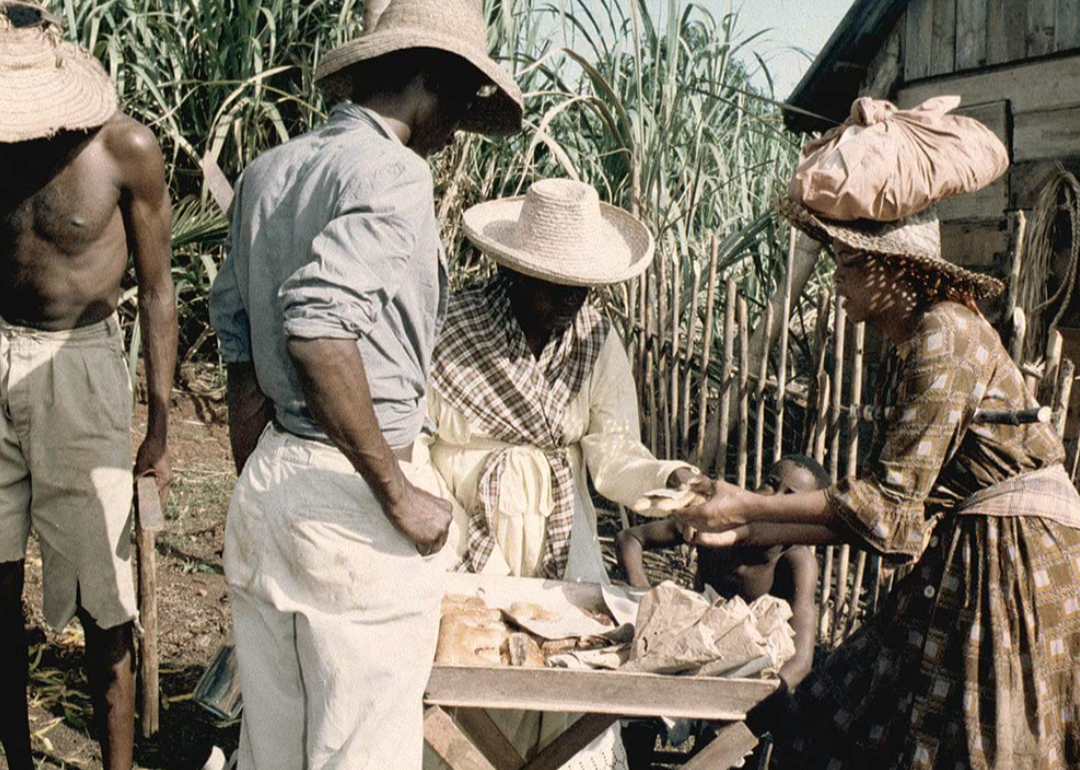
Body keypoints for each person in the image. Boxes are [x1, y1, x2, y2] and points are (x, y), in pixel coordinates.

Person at [207, 0, 522, 766]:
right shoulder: (396, 174)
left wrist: (260, 455)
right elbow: (316, 330)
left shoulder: (269, 171)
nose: (455, 128)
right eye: (458, 102)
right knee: (361, 750)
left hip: (278, 478)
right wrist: (395, 491)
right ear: (432, 83)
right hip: (352, 494)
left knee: (273, 748)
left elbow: (239, 327)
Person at [672, 191, 1080, 765]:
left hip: (1017, 560)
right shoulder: (915, 341)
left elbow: (885, 506)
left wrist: (744, 506)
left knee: (981, 739)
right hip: (972, 546)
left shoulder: (945, 333)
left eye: (850, 262)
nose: (835, 278)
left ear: (897, 268)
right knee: (843, 707)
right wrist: (749, 528)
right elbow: (885, 517)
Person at [425, 178, 697, 768]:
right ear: (518, 273)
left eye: (582, 290)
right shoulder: (450, 324)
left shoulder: (597, 339)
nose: (572, 304)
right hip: (463, 520)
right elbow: (414, 435)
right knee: (470, 669)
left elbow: (614, 451)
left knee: (565, 668)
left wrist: (668, 480)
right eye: (557, 289)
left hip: (558, 526)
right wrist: (433, 516)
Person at [0, 5, 176, 770]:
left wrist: (161, 426)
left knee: (108, 602)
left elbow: (160, 288)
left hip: (82, 368)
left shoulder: (124, 150)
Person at [616, 455, 824, 769]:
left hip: (749, 669)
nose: (773, 498)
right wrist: (644, 594)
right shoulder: (718, 522)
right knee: (638, 710)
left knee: (727, 744)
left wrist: (752, 698)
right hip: (686, 647)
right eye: (770, 482)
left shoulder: (796, 562)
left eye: (790, 498)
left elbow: (800, 660)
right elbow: (630, 538)